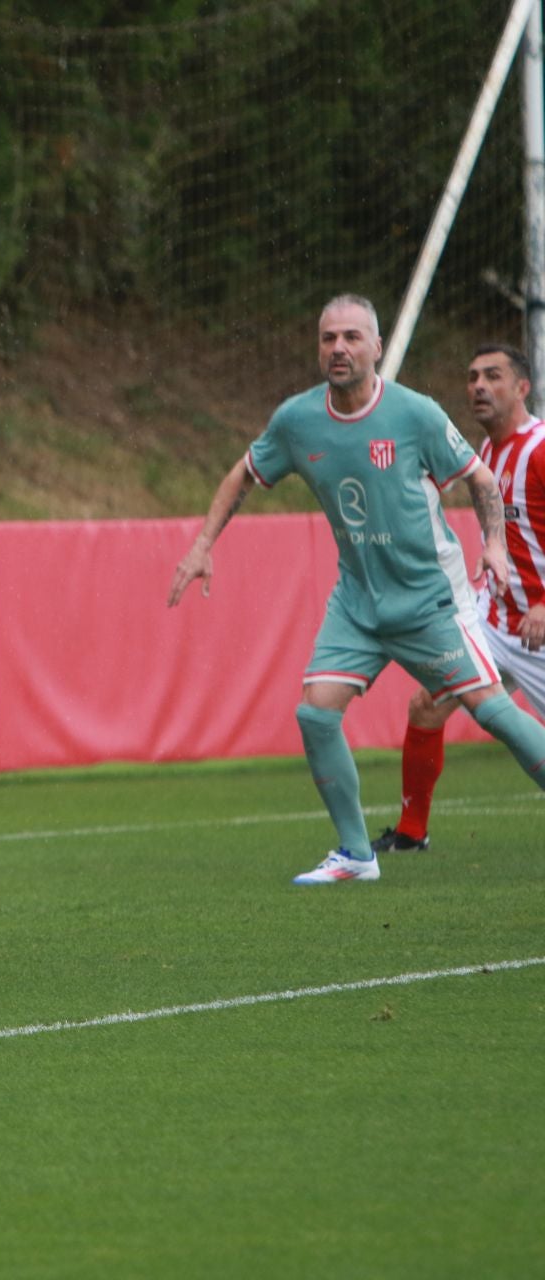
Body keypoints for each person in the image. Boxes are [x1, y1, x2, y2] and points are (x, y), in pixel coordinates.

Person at [169, 296, 545, 884]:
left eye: (351, 337)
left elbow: (478, 478)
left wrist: (494, 544)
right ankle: (355, 854)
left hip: (430, 598)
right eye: (328, 338)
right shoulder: (297, 421)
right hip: (358, 601)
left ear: (376, 347)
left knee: (492, 712)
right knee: (316, 712)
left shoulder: (414, 413)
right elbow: (245, 471)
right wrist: (202, 544)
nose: (338, 348)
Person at [373, 344, 545, 852]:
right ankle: (411, 832)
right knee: (428, 703)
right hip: (494, 620)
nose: (479, 387)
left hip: (538, 627)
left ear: (523, 387)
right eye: (472, 377)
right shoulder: (485, 451)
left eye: (493, 376)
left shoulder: (539, 450)